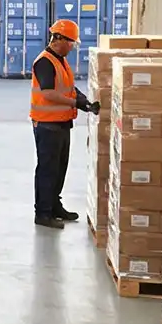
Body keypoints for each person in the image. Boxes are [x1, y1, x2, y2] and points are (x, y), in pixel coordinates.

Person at [31, 19, 99, 229]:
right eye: (70, 42)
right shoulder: (44, 62)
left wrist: (83, 101)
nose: (72, 46)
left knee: (59, 169)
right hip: (47, 125)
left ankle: (54, 205)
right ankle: (43, 213)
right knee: (47, 170)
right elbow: (49, 93)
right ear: (58, 39)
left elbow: (68, 88)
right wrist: (74, 102)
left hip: (61, 124)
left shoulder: (60, 60)